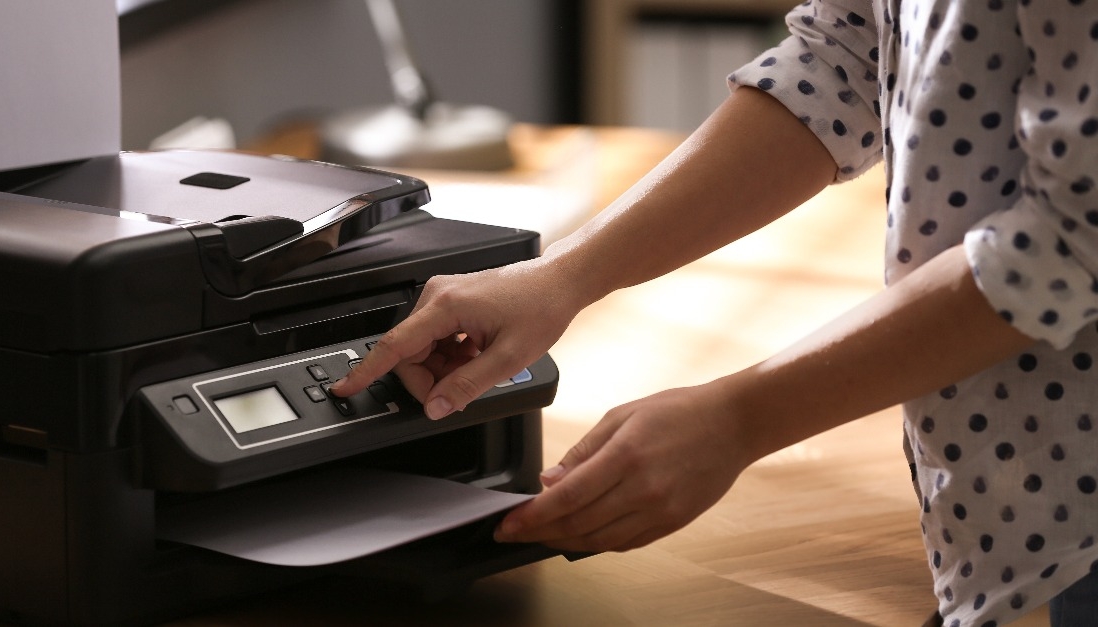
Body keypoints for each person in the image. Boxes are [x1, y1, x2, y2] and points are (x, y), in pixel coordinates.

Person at [332, 0, 1098, 624]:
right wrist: (559, 275)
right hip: (1002, 497)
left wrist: (741, 418)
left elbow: (1073, 236)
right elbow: (846, 56)